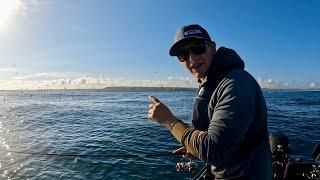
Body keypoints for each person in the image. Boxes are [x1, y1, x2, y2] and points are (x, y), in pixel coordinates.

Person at [147, 24, 272, 179]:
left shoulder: (235, 84)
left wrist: (169, 121)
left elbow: (214, 149)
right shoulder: (213, 82)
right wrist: (191, 146)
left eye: (198, 47)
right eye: (183, 54)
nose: (191, 58)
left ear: (212, 47)